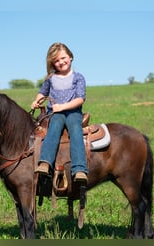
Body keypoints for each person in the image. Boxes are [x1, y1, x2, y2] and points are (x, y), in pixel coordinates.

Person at [31, 42, 88, 182]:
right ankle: (45, 162)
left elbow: (80, 99)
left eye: (63, 58)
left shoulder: (78, 77)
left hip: (73, 112)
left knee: (75, 130)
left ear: (70, 57)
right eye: (56, 61)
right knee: (54, 128)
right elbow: (42, 93)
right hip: (56, 114)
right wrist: (36, 101)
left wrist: (63, 107)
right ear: (52, 63)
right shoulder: (51, 78)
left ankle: (79, 169)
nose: (61, 62)